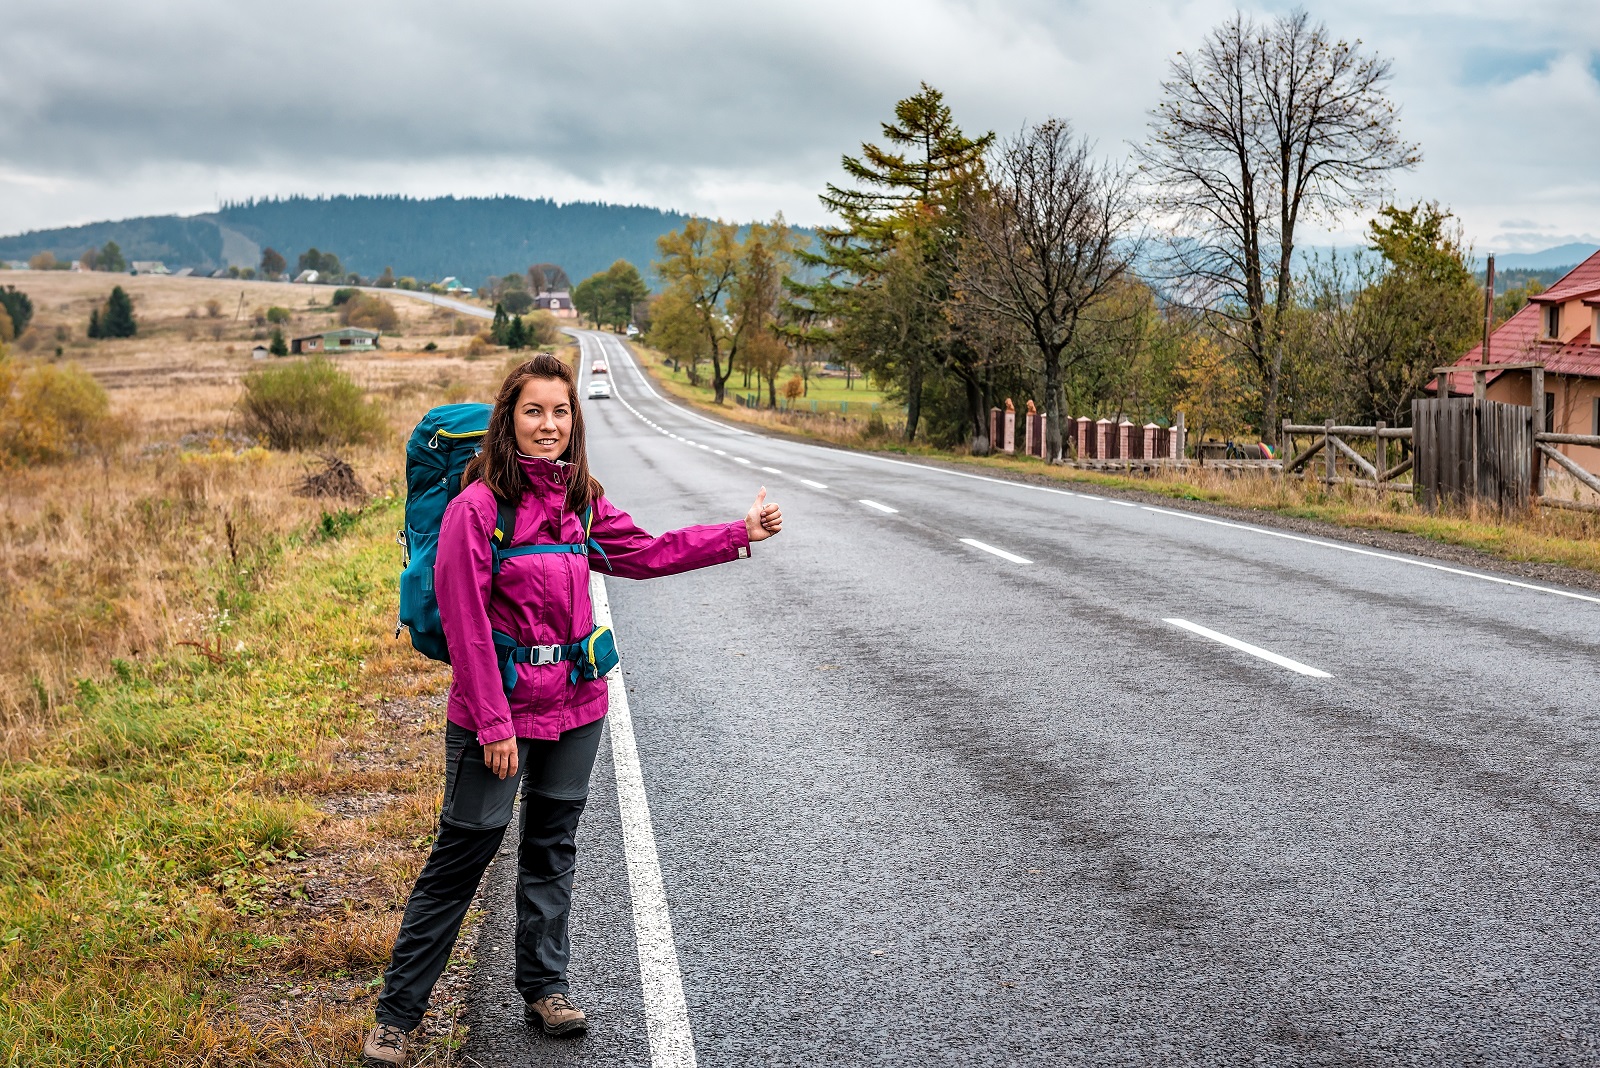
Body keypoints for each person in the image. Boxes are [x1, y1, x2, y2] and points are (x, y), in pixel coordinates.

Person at [364, 353, 782, 1066]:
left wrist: (737, 534)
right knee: (462, 856)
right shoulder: (478, 508)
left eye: (560, 412)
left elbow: (646, 552)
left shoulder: (579, 499)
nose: (548, 424)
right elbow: (465, 624)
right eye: (534, 411)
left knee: (552, 849)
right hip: (494, 716)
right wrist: (494, 723)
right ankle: (397, 1020)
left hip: (577, 706)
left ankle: (544, 986)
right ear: (509, 420)